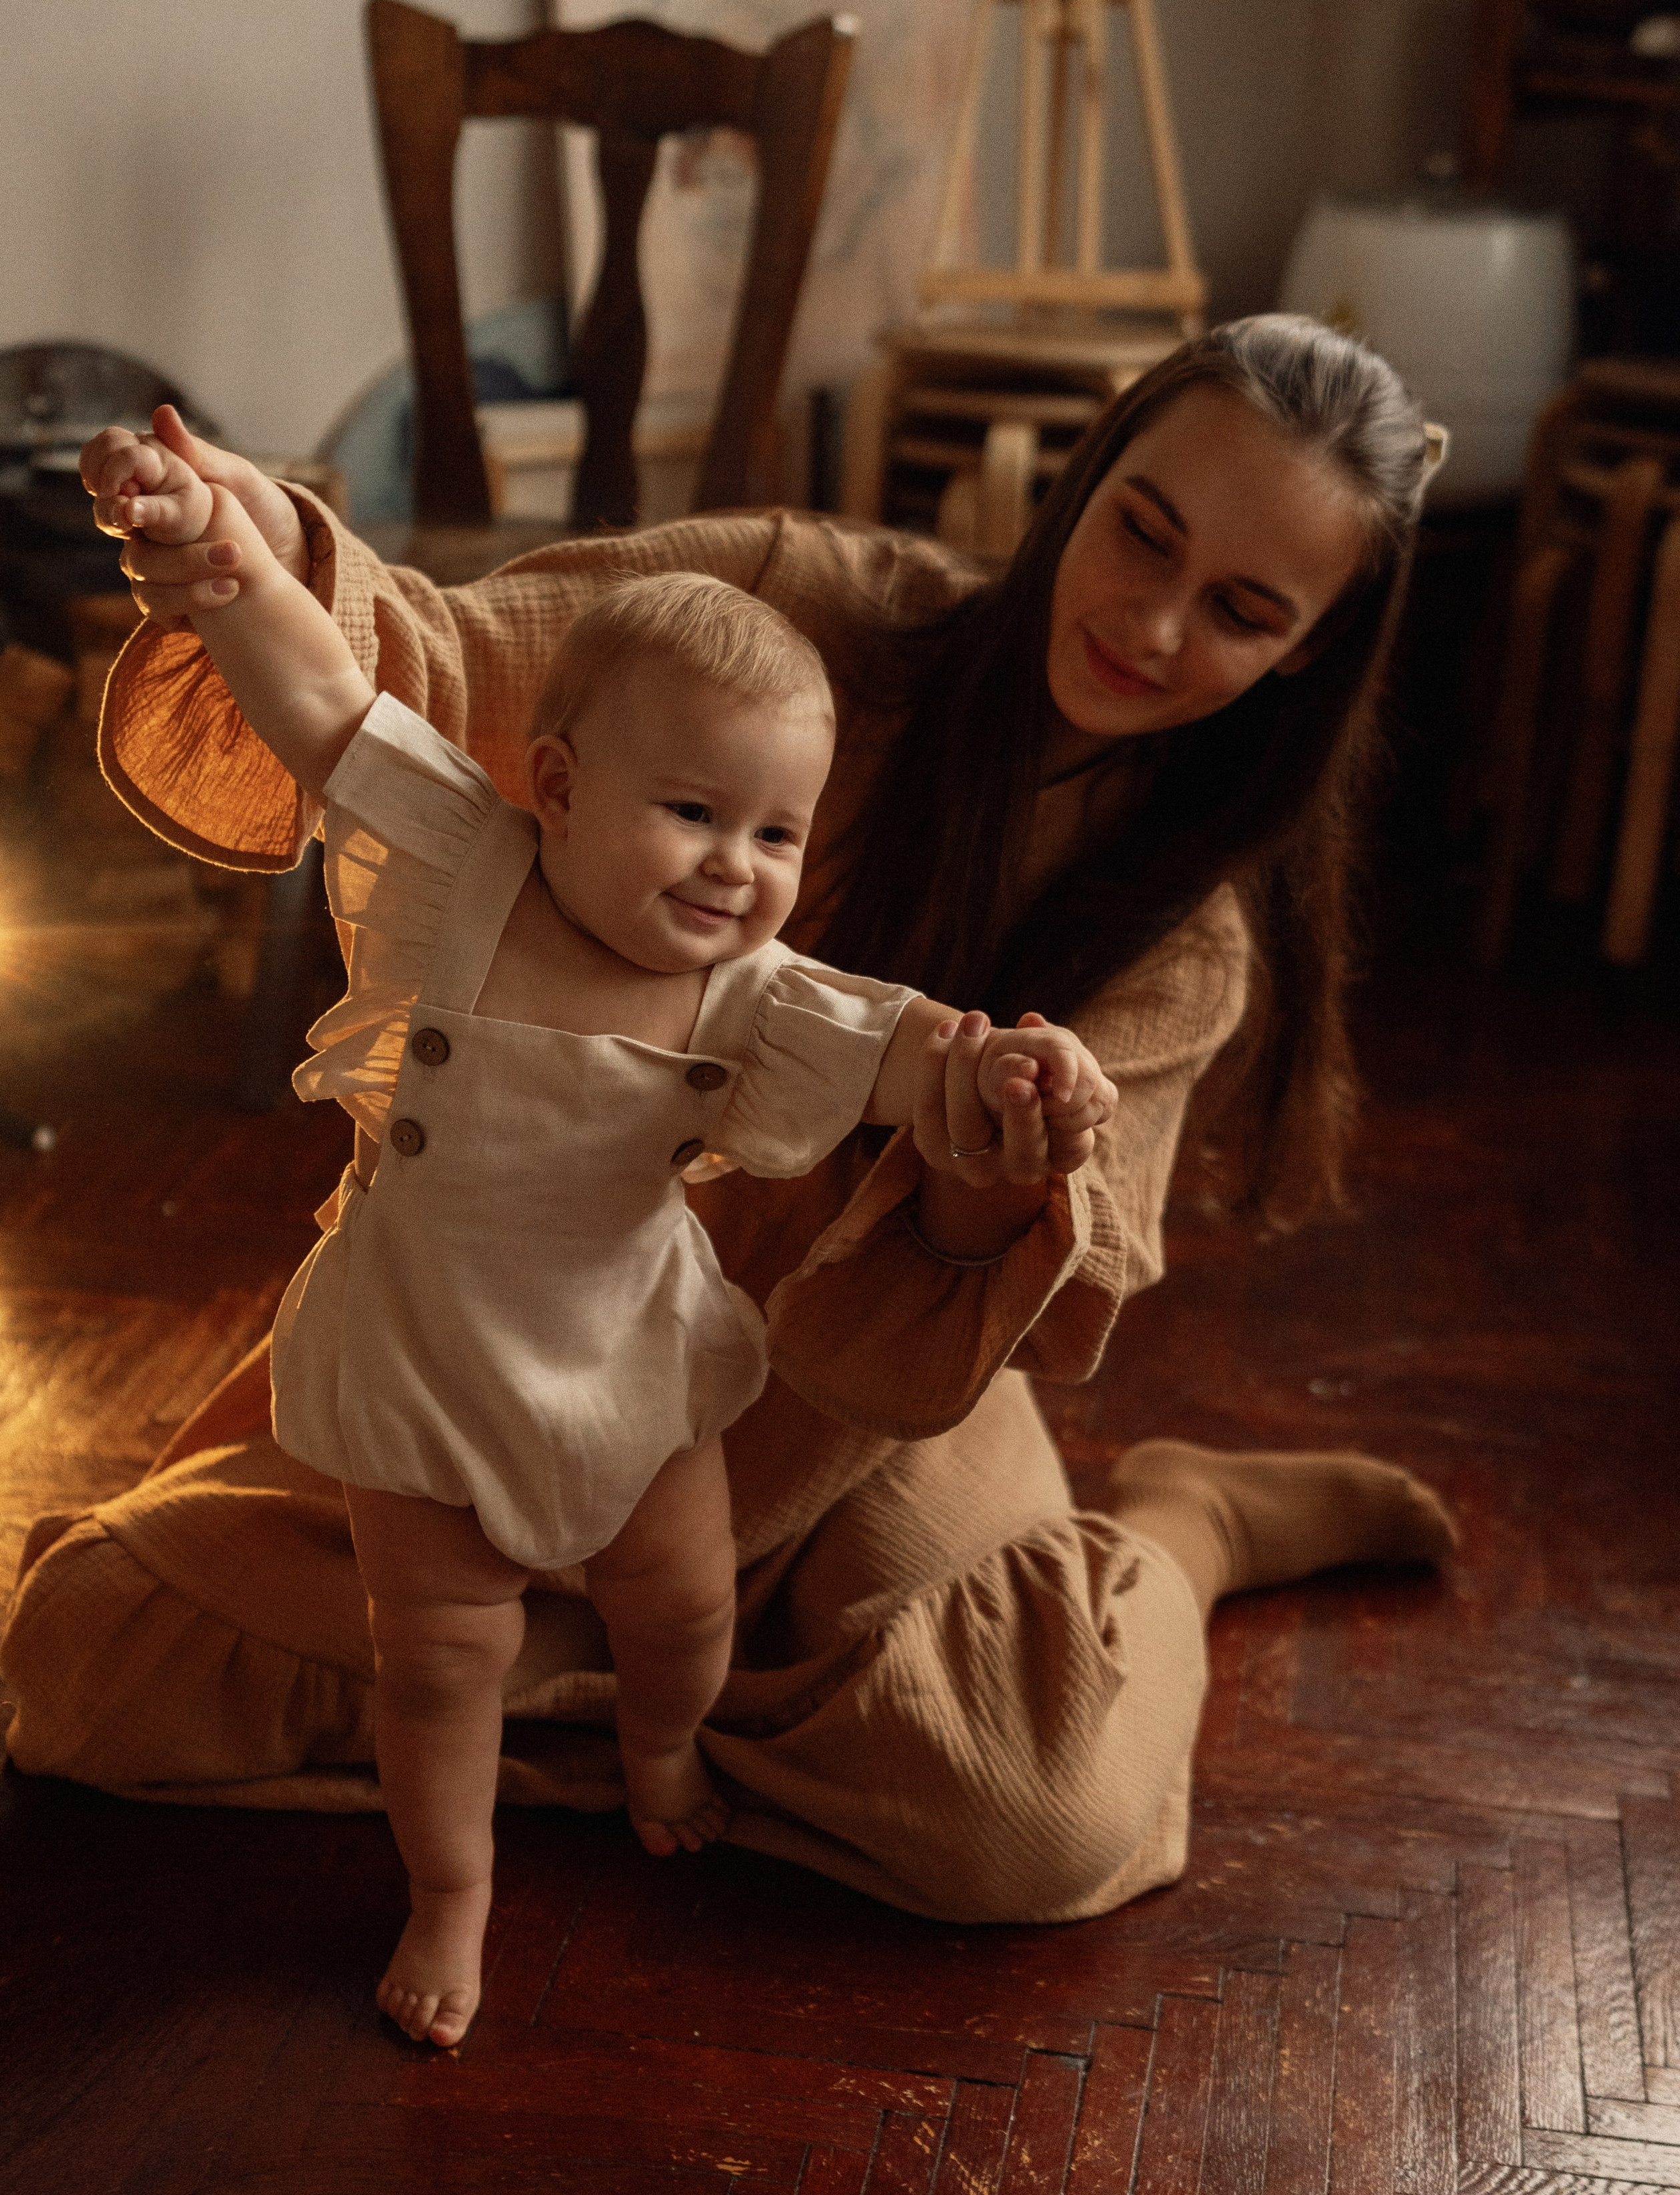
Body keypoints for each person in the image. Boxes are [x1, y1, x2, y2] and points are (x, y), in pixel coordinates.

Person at [1, 313, 1455, 1973]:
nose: (1149, 619)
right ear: (1089, 474)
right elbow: (440, 670)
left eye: (1242, 613)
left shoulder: (1186, 944)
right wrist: (251, 550)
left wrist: (1002, 1142)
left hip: (848, 1412)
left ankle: (1183, 1528)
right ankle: (565, 1700)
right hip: (494, 1335)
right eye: (1143, 529)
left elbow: (995, 1281)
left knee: (1027, 1813)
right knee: (95, 1665)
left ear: (1302, 659)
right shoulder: (807, 604)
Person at [80, 430, 1116, 2043]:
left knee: (680, 1603)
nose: (735, 868)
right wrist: (225, 554)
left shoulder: (756, 1000)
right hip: (426, 1355)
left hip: (630, 1358)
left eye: (776, 834)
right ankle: (451, 1895)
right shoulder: (457, 863)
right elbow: (323, 704)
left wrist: (999, 1068)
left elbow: (907, 1047)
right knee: (434, 1662)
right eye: (692, 810)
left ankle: (658, 1745)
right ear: (554, 790)